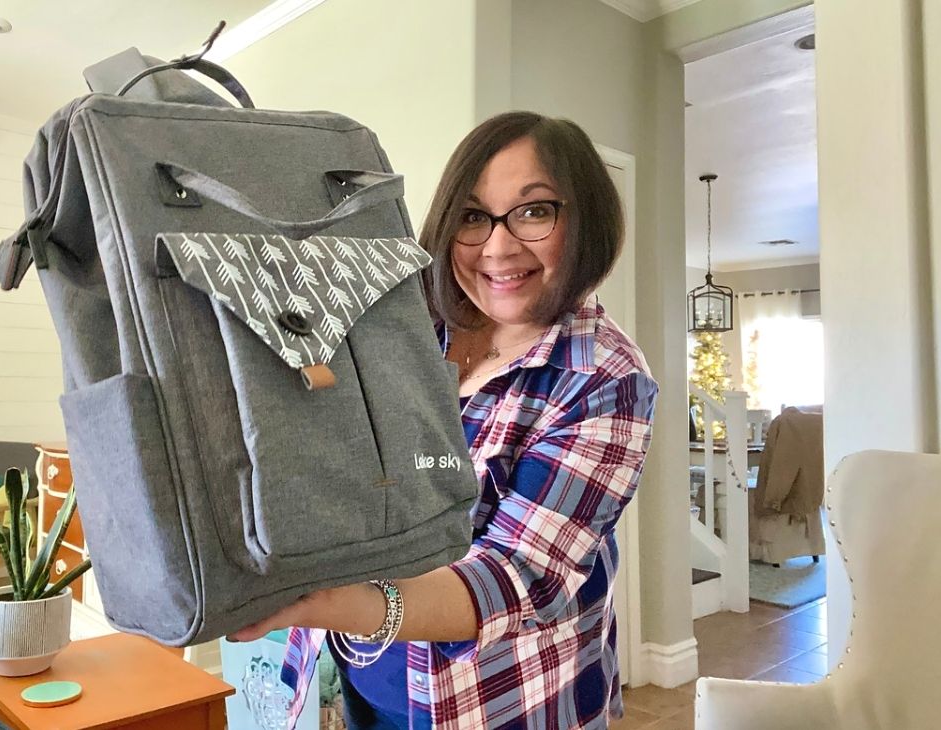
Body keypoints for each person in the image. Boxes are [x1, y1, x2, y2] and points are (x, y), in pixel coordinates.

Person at [229, 111, 659, 729]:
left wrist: (323, 602)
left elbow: (515, 578)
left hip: (499, 702)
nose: (498, 246)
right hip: (361, 680)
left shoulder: (604, 378)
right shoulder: (414, 326)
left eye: (535, 211)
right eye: (472, 216)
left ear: (584, 218)